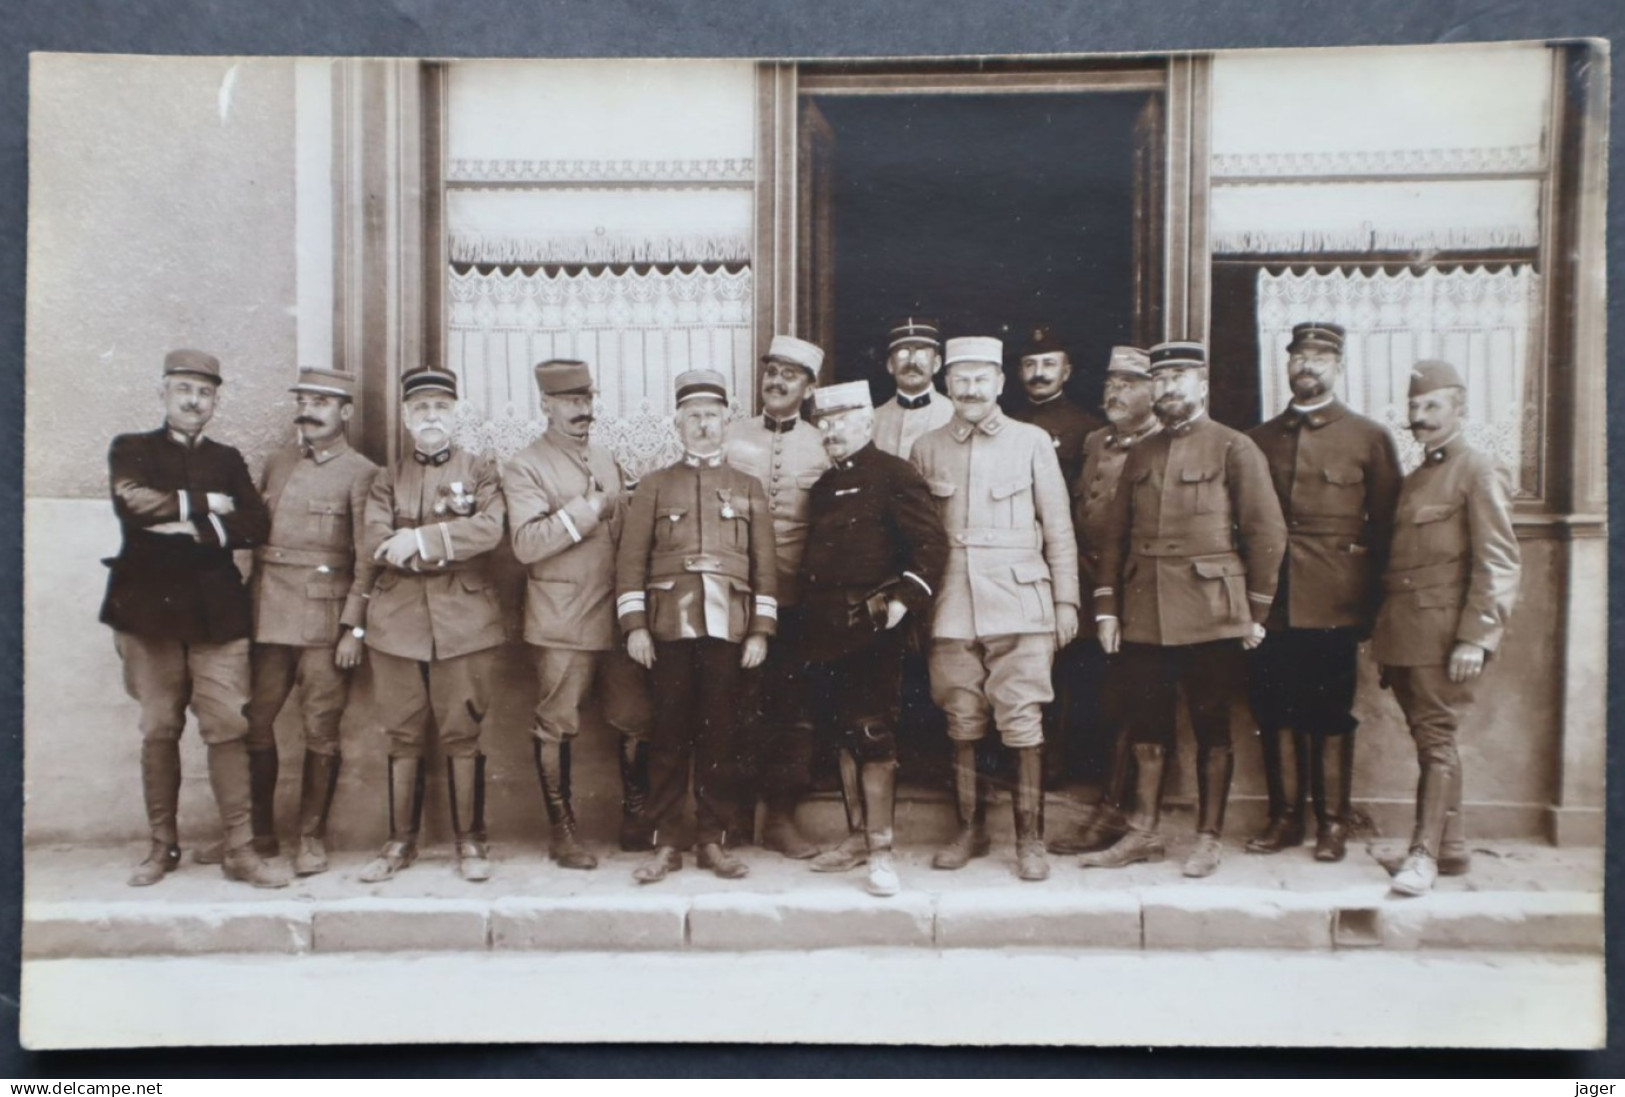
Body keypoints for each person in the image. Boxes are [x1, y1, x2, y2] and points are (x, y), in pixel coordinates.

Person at [1086, 341, 1286, 878]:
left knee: (1211, 726)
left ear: (1202, 384)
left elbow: (1267, 533)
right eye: (1162, 378)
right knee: (1146, 725)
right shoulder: (1143, 453)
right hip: (1144, 608)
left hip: (1211, 609)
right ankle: (1144, 832)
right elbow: (1116, 536)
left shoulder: (1234, 447)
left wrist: (1255, 612)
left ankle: (1208, 838)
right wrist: (1107, 608)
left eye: (1180, 376)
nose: (1169, 387)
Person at [100, 348, 286, 888]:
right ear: (162, 392)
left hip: (217, 615)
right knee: (160, 727)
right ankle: (162, 848)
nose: (193, 401)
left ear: (215, 402)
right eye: (183, 389)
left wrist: (193, 527)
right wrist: (207, 503)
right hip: (147, 612)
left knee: (228, 725)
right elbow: (134, 504)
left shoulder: (228, 459)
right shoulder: (131, 448)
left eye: (205, 393)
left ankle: (241, 851)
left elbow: (255, 523)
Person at [909, 336, 1080, 882]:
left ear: (1001, 384)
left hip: (1020, 601)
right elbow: (918, 536)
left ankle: (1031, 841)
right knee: (961, 716)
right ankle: (969, 830)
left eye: (981, 378)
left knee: (1023, 716)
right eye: (961, 379)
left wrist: (1066, 600)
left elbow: (1059, 527)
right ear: (946, 384)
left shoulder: (1031, 441)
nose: (971, 389)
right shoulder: (927, 447)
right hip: (952, 603)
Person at [1244, 323, 1402, 862]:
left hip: (1337, 601)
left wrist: (1373, 607)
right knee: (1273, 708)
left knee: (1330, 712)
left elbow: (1386, 529)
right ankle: (1285, 818)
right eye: (1298, 356)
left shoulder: (1368, 438)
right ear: (1286, 365)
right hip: (1271, 603)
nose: (1307, 365)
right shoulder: (1259, 440)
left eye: (1319, 357)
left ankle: (1333, 823)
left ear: (1338, 367)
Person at [616, 369, 779, 883]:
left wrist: (760, 630)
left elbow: (765, 564)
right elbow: (630, 561)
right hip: (668, 628)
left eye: (712, 416)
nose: (703, 425)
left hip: (729, 628)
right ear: (677, 424)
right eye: (693, 417)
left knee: (720, 737)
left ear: (726, 423)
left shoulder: (748, 487)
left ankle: (713, 840)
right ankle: (666, 843)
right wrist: (635, 626)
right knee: (667, 737)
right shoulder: (654, 486)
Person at [1373, 359, 1520, 897]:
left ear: (1461, 409)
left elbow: (1499, 561)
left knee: (1436, 741)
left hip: (1443, 637)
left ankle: (1423, 856)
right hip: (1404, 633)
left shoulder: (1478, 469)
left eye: (1432, 405)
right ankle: (1451, 847)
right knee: (1429, 739)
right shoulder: (1417, 479)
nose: (1421, 416)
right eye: (1414, 407)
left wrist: (1476, 637)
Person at [502, 358, 653, 870]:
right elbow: (526, 544)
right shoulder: (525, 466)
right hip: (562, 619)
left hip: (617, 618)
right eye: (570, 401)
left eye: (586, 399)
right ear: (545, 405)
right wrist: (587, 509)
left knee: (636, 717)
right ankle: (562, 833)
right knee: (556, 723)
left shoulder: (607, 458)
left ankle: (636, 819)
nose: (582, 410)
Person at [358, 366, 507, 883]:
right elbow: (375, 541)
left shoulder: (481, 471)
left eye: (441, 407)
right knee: (403, 734)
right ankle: (400, 842)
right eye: (420, 408)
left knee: (462, 731)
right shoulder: (385, 478)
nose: (431, 416)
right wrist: (439, 544)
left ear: (456, 414)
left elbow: (488, 530)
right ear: (405, 417)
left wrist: (418, 540)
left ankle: (471, 840)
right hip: (396, 623)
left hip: (465, 621)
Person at [799, 380, 948, 896]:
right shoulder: (823, 487)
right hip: (826, 628)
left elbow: (930, 545)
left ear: (867, 422)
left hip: (873, 627)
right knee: (841, 732)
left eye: (841, 420)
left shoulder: (895, 474)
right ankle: (856, 837)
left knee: (873, 733)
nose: (830, 430)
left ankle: (881, 853)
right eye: (824, 423)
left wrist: (903, 602)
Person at [235, 366, 378, 877]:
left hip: (323, 621)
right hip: (268, 616)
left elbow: (367, 559)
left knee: (321, 728)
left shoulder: (362, 472)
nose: (309, 411)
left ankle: (311, 838)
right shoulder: (277, 463)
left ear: (345, 412)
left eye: (322, 403)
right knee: (254, 721)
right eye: (304, 401)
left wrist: (353, 627)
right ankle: (260, 833)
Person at [1047, 346, 1161, 855]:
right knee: (1092, 691)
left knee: (1132, 701)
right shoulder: (1096, 440)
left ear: (1154, 391)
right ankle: (1095, 797)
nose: (1115, 392)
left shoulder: (1161, 443)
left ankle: (1118, 812)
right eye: (1112, 383)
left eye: (1129, 384)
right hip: (1091, 584)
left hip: (1138, 587)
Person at [722, 334, 829, 858]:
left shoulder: (824, 444)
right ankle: (736, 817)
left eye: (790, 375)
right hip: (735, 595)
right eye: (771, 372)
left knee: (792, 711)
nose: (777, 382)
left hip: (797, 601)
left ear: (809, 388)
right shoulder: (730, 438)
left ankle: (782, 819)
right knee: (736, 706)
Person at [1007, 325, 1105, 786]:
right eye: (1030, 364)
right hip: (1015, 560)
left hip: (1066, 560)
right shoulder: (1008, 423)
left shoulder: (1088, 430)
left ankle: (1059, 765)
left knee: (1066, 667)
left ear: (1067, 371)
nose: (1039, 373)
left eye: (1049, 364)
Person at [872, 317, 953, 460]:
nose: (912, 362)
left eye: (921, 353)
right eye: (903, 353)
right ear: (890, 365)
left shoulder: (953, 415)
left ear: (936, 364)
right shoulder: (874, 420)